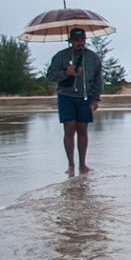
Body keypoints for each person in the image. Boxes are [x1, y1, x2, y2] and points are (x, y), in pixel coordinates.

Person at [46, 27, 103, 175]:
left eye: (82, 40)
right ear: (70, 41)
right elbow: (51, 75)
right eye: (76, 40)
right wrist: (66, 73)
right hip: (66, 96)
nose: (80, 43)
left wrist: (96, 99)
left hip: (85, 97)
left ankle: (83, 164)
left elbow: (98, 80)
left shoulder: (93, 58)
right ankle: (71, 164)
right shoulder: (61, 56)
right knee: (69, 127)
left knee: (82, 129)